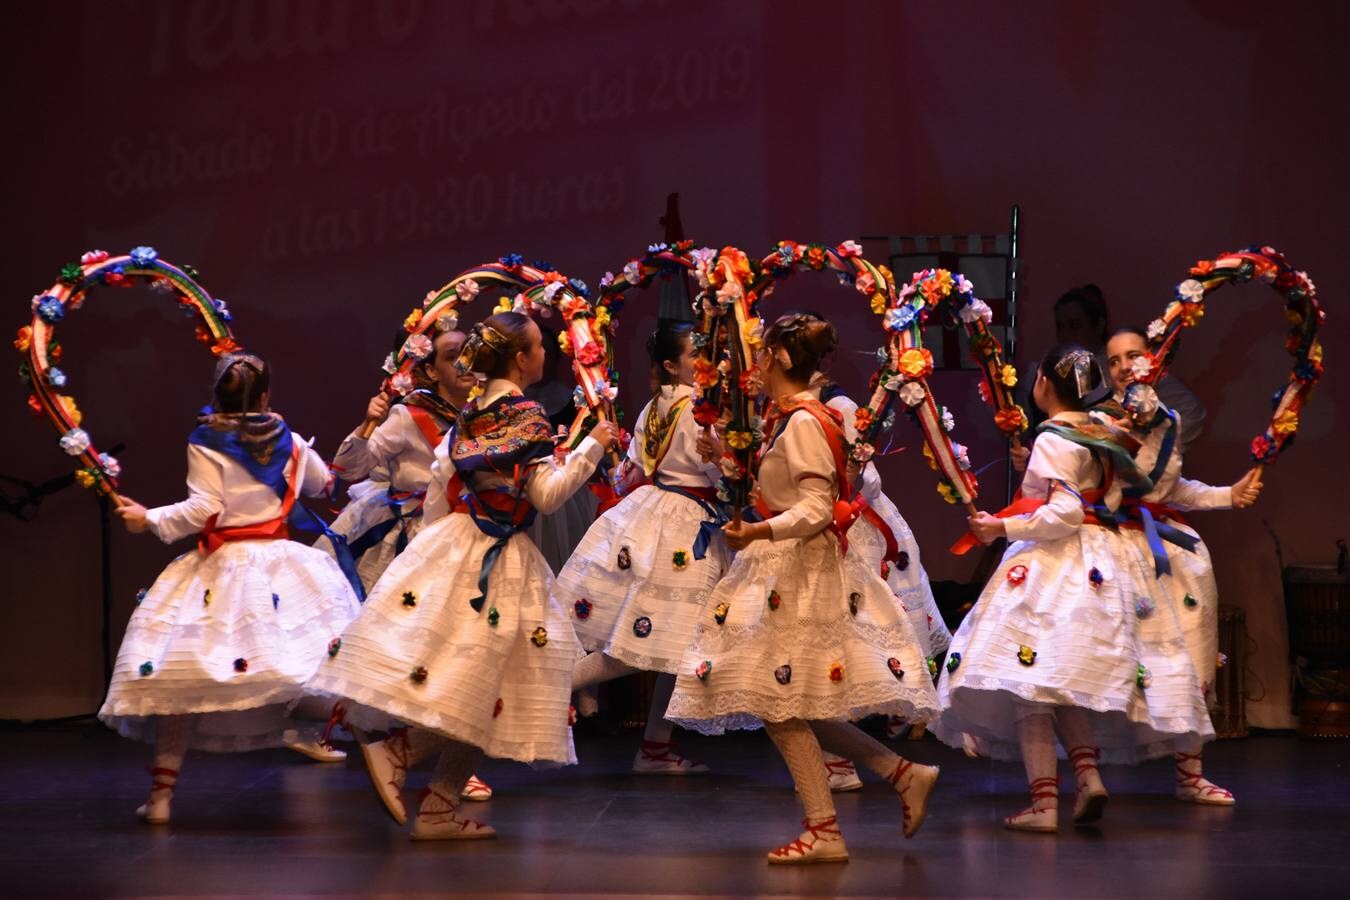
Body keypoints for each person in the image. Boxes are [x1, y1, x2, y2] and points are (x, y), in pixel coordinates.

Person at [307, 313, 618, 840]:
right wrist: (591, 448)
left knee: (493, 685)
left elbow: (443, 479)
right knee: (491, 682)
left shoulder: (472, 407)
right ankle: (402, 753)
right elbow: (543, 497)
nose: (545, 355)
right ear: (521, 360)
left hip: (460, 542)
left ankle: (439, 805)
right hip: (498, 556)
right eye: (539, 347)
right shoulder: (525, 414)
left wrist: (433, 547)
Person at [666, 313, 940, 864]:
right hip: (783, 567)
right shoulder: (789, 419)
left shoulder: (806, 421)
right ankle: (900, 773)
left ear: (782, 358)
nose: (756, 365)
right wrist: (722, 457)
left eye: (763, 354)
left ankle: (826, 827)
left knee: (778, 701)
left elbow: (816, 507)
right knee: (791, 702)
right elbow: (787, 489)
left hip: (798, 571)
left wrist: (760, 529)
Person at [936, 344, 1214, 833]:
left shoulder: (1054, 437)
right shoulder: (1102, 430)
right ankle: (1086, 776)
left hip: (1054, 566)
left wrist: (999, 529)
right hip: (1099, 564)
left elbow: (1063, 513)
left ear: (1043, 383)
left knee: (1023, 682)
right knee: (1051, 682)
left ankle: (1045, 804)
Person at [101, 353, 362, 824]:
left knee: (183, 680)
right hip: (280, 567)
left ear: (215, 395)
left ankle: (161, 796)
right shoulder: (293, 442)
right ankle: (367, 740)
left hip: (223, 568)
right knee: (313, 659)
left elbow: (203, 508)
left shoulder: (207, 441)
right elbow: (323, 485)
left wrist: (149, 519)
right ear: (264, 397)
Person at [1097, 326, 1263, 805]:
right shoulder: (1094, 421)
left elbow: (1174, 489)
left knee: (1188, 656)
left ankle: (1190, 774)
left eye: (1135, 355)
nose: (1126, 366)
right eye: (1114, 360)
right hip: (1108, 545)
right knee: (1103, 657)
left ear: (1154, 362)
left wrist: (1228, 496)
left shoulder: (1167, 422)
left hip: (1167, 550)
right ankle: (1084, 771)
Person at [560, 322, 727, 774]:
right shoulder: (699, 410)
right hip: (686, 522)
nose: (704, 361)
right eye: (696, 354)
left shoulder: (655, 406)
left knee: (673, 643)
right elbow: (718, 474)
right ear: (672, 365)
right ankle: (547, 686)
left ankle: (655, 747)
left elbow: (632, 472)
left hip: (653, 513)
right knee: (645, 644)